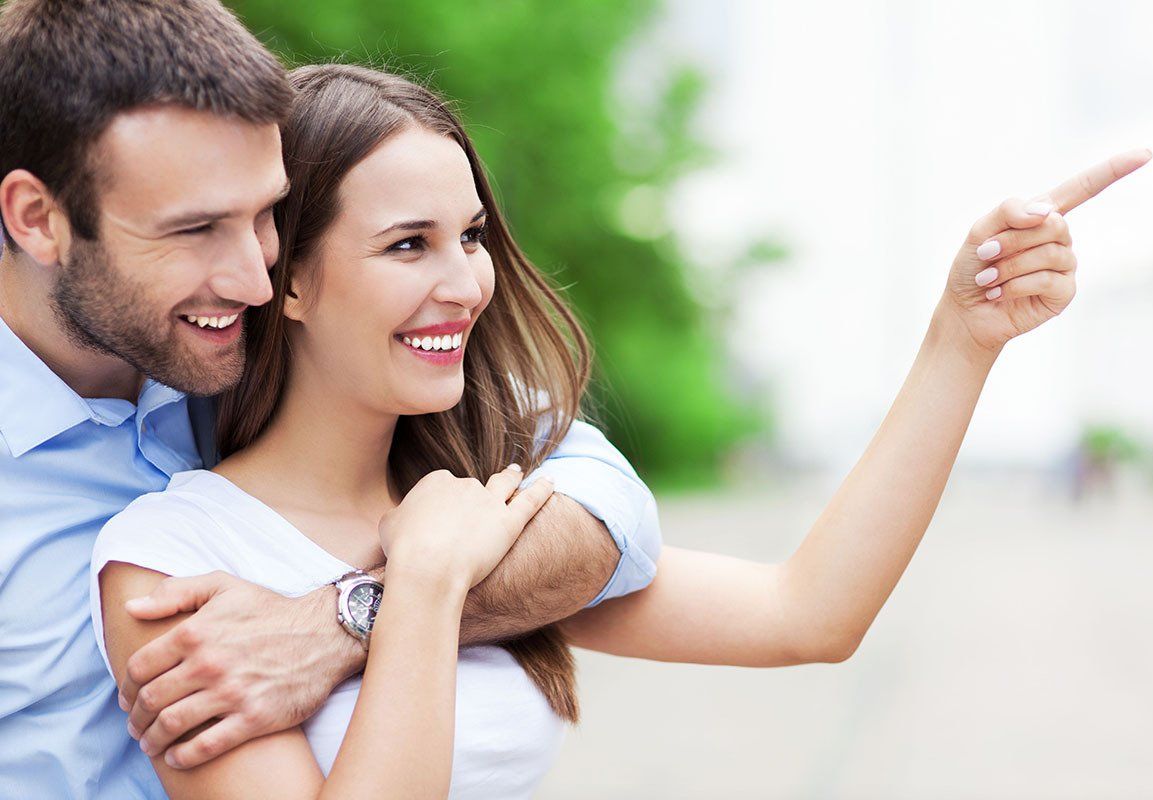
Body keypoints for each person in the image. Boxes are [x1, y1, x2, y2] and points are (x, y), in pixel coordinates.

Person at [92, 60, 1150, 798]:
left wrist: (961, 339)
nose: (465, 282)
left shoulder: (488, 495)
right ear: (292, 283)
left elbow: (807, 612)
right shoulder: (173, 563)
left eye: (470, 236)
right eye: (407, 245)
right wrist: (416, 587)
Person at [0, 2, 661, 798]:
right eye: (196, 229)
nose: (256, 281)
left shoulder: (231, 353)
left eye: (264, 217)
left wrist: (342, 619)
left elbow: (604, 502)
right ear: (38, 219)